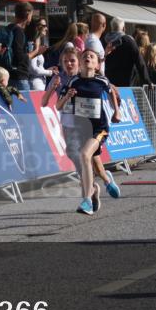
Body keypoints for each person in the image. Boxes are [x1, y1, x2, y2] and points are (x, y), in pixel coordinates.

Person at [56, 49, 121, 215]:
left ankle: (86, 200)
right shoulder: (74, 82)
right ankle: (106, 182)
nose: (88, 58)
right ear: (80, 61)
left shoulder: (102, 81)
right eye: (84, 56)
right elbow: (58, 106)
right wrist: (67, 96)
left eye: (91, 56)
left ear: (97, 64)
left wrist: (116, 111)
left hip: (99, 128)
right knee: (95, 163)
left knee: (84, 155)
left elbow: (112, 91)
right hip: (82, 129)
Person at [104, 18, 150, 87]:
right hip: (126, 83)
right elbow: (139, 61)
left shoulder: (104, 40)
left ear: (111, 28)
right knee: (126, 97)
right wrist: (147, 80)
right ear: (124, 28)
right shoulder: (129, 41)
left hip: (109, 83)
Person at [26, 17, 54, 91]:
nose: (46, 29)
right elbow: (33, 69)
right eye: (44, 26)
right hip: (35, 84)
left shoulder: (36, 44)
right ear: (37, 27)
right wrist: (50, 72)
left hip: (39, 83)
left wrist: (46, 70)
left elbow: (36, 67)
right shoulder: (32, 45)